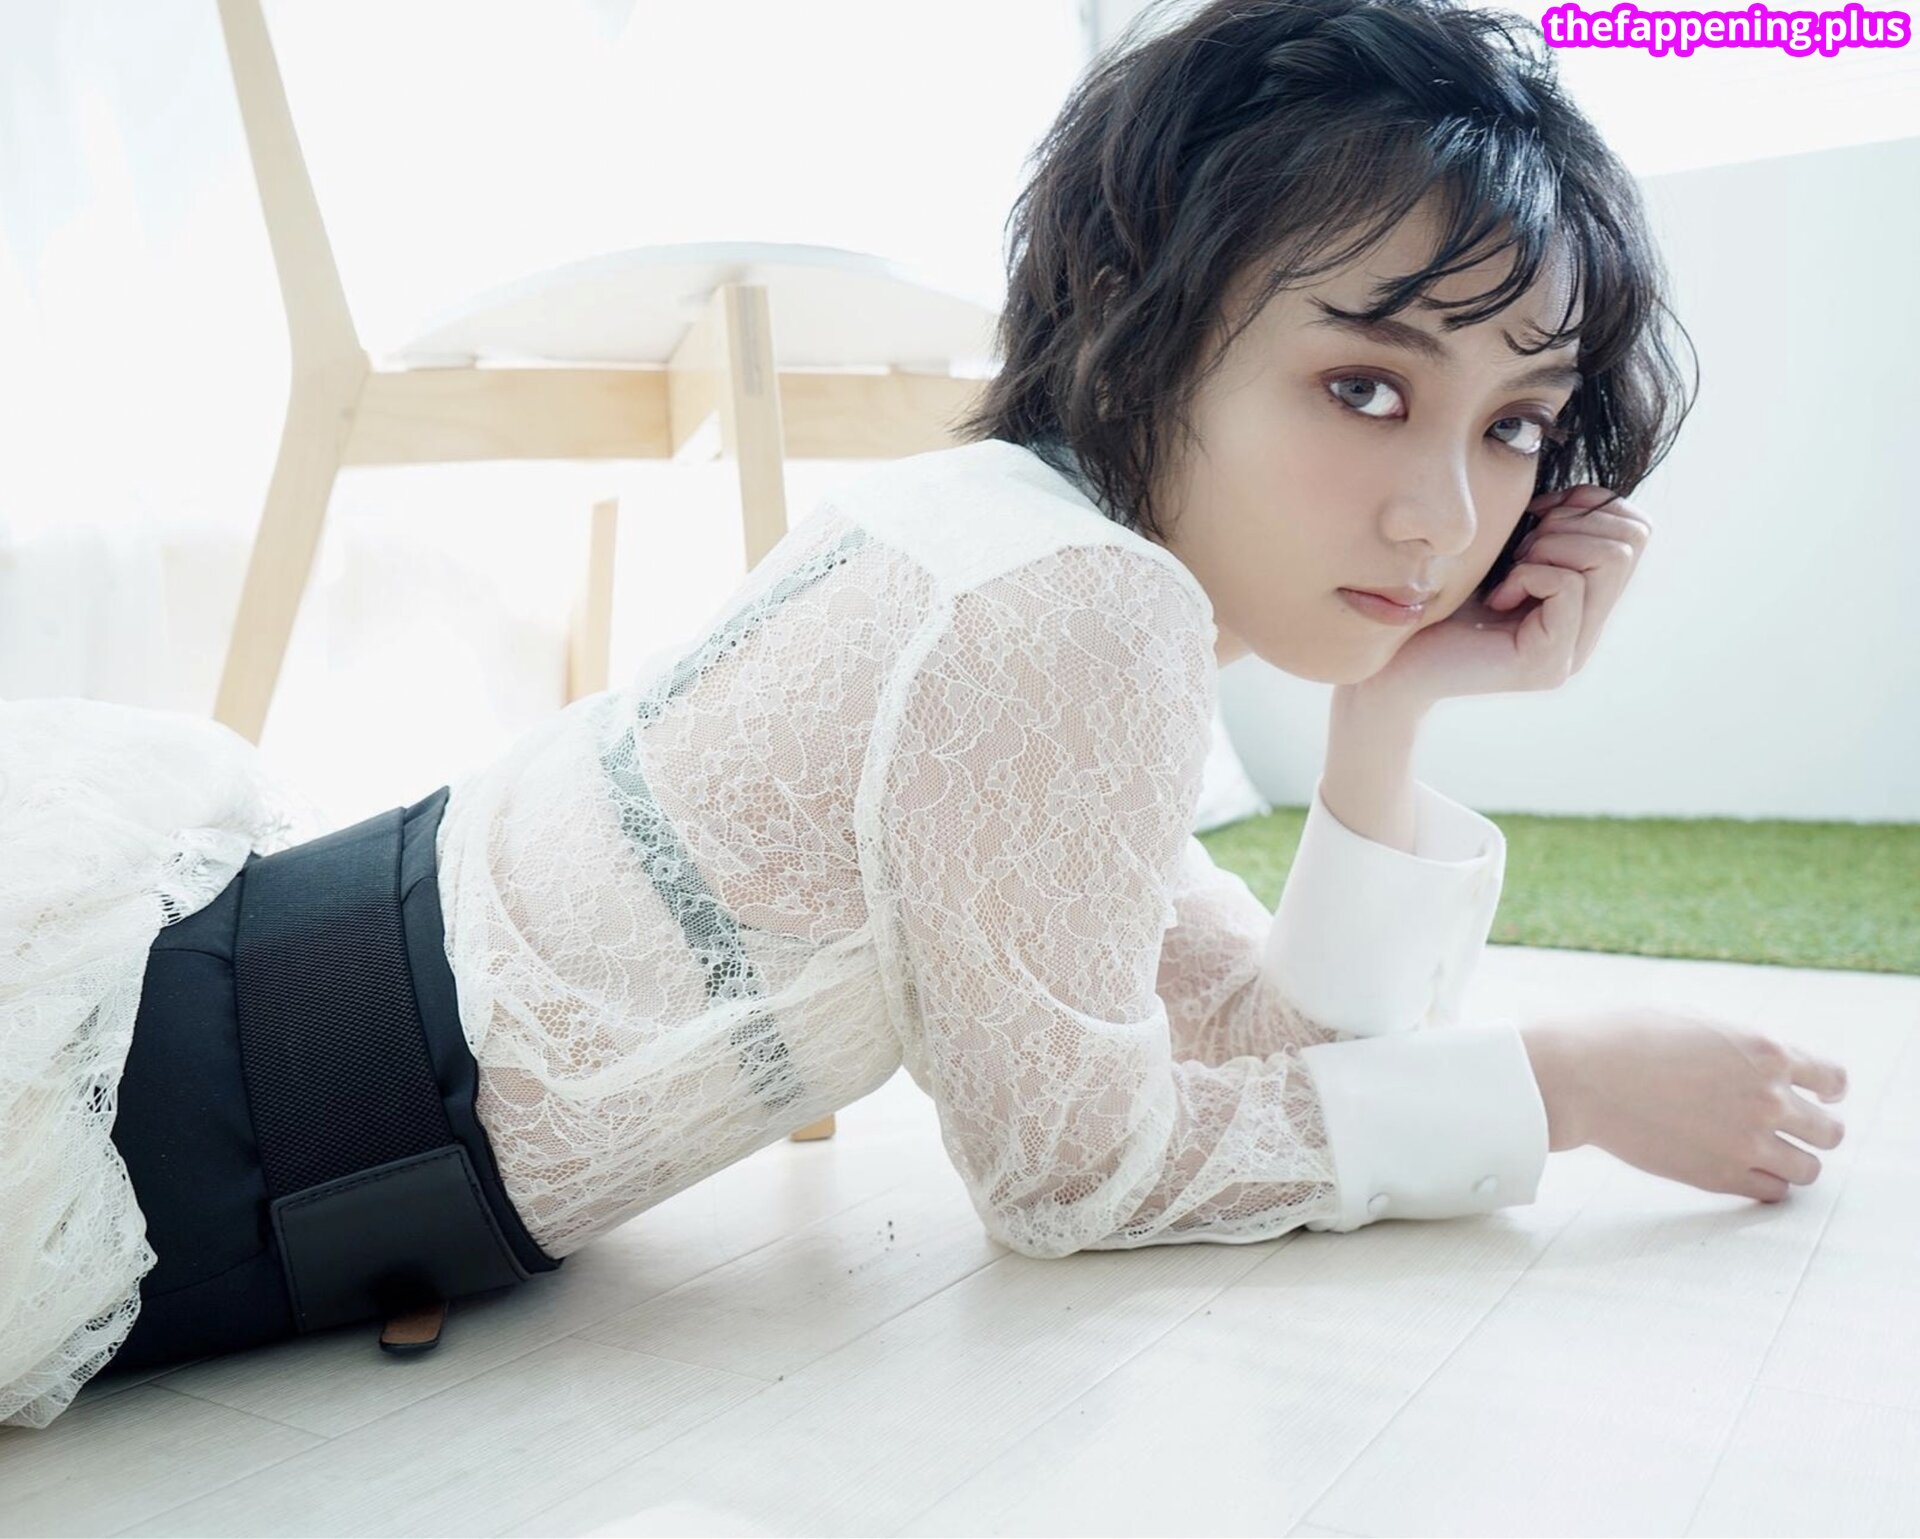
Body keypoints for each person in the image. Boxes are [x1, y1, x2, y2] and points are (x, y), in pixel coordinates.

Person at [0, 0, 1850, 1432]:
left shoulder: (1027, 542)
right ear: (1135, 307)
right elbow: (1077, 1170)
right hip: (204, 1128)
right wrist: (1560, 1090)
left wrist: (1391, 714)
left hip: (241, 1048)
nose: (1445, 517)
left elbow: (1241, 1035)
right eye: (1365, 386)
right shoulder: (1070, 604)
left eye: (1515, 423)